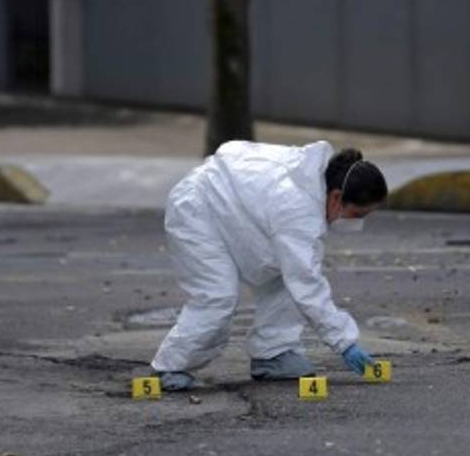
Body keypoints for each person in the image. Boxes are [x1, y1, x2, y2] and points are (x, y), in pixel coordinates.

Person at [150, 141, 389, 391]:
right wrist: (345, 343)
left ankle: (274, 352)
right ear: (337, 196)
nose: (356, 224)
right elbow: (307, 283)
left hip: (231, 208)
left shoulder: (311, 179)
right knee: (217, 296)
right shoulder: (298, 211)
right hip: (196, 210)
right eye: (358, 215)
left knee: (285, 277)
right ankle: (170, 365)